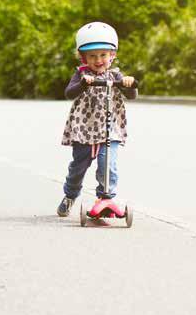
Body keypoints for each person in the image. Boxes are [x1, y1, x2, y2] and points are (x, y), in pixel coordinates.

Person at [57, 22, 137, 217]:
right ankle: (70, 195)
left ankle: (106, 197)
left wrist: (129, 83)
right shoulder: (81, 74)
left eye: (103, 55)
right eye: (92, 56)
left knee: (108, 164)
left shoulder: (116, 75)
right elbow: (69, 93)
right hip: (84, 130)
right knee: (78, 167)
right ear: (83, 57)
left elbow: (132, 95)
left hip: (110, 130)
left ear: (112, 55)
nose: (98, 60)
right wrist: (83, 84)